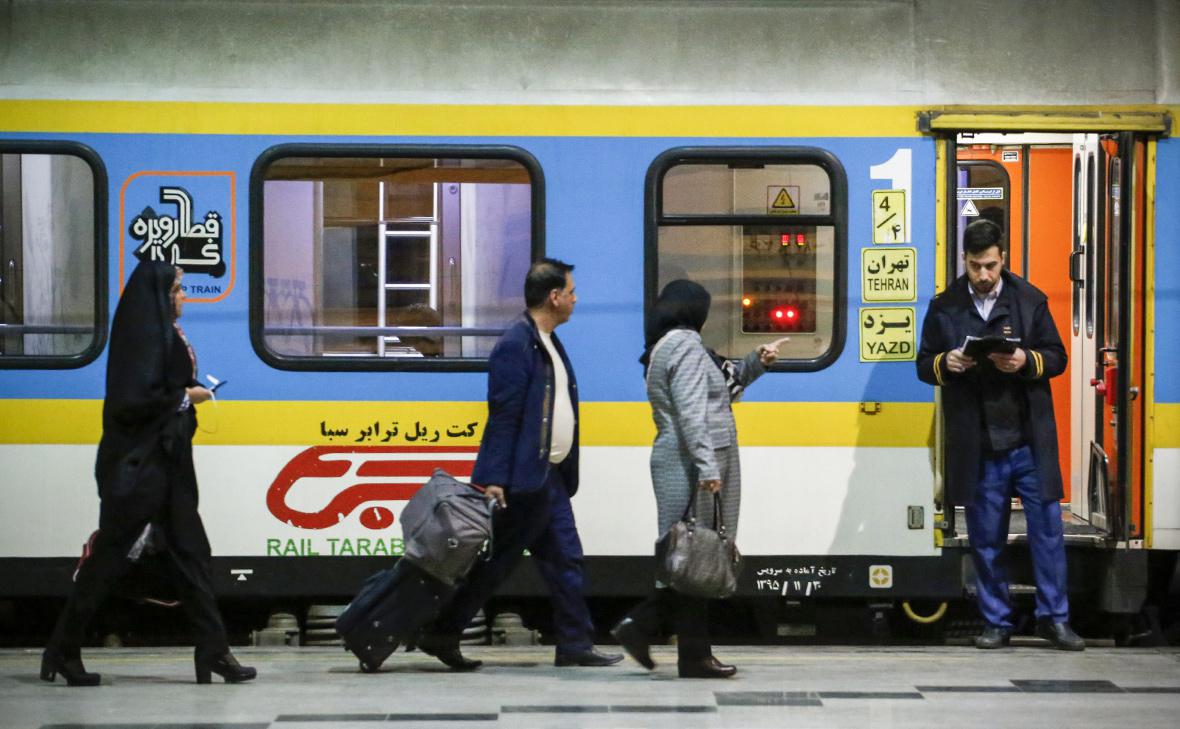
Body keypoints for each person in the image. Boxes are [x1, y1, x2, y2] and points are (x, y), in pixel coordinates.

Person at [41, 261, 257, 686]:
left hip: (169, 467)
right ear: (160, 296)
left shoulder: (163, 332)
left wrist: (184, 398)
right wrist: (186, 398)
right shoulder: (141, 337)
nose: (183, 296)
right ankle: (62, 650)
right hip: (139, 470)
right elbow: (132, 402)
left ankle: (214, 652)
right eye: (177, 289)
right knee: (108, 560)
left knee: (192, 554)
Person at [416, 258, 622, 670]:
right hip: (525, 480)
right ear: (554, 296)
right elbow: (503, 414)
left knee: (564, 558)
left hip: (549, 476)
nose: (576, 298)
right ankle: (442, 631)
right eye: (572, 291)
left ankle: (574, 644)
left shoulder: (546, 340)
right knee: (499, 564)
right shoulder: (517, 343)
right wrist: (493, 478)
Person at [916, 219, 1084, 651]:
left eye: (990, 265)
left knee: (1048, 535)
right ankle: (996, 622)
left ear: (1002, 258)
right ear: (965, 261)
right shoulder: (945, 306)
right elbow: (924, 364)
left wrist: (1026, 360)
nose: (983, 275)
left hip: (1029, 442)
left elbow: (1057, 357)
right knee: (985, 539)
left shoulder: (1030, 300)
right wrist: (946, 363)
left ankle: (1055, 620)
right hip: (980, 444)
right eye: (975, 266)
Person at [612, 279, 779, 678]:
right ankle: (657, 635)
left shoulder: (670, 345)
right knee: (695, 555)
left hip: (686, 459)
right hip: (690, 463)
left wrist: (756, 362)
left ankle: (684, 650)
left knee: (690, 556)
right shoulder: (685, 346)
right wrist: (707, 467)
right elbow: (691, 411)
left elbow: (718, 388)